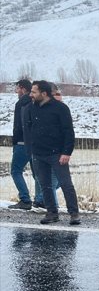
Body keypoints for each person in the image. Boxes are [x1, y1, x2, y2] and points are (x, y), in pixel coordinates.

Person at [28, 80, 80, 225]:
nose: (31, 95)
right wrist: (32, 149)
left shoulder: (61, 108)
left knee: (66, 184)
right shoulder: (32, 108)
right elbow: (31, 128)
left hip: (57, 153)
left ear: (44, 93)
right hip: (39, 153)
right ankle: (51, 213)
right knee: (45, 185)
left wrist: (66, 152)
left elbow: (68, 132)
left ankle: (74, 213)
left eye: (34, 92)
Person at [9, 79, 35, 209]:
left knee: (15, 171)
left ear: (23, 89)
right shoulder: (35, 102)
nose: (16, 91)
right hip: (34, 143)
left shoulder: (21, 103)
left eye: (17, 89)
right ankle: (42, 199)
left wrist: (15, 141)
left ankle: (25, 199)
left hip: (22, 142)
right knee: (37, 173)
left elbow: (19, 125)